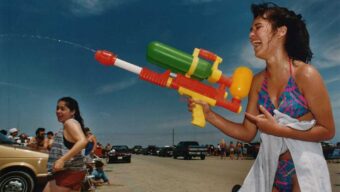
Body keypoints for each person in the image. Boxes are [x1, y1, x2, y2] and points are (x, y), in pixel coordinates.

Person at [189, 2, 335, 192]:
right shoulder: (257, 83)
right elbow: (247, 133)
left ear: (281, 31)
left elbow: (328, 130)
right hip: (270, 171)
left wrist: (279, 130)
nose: (251, 35)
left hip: (304, 169)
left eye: (258, 28)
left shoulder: (305, 75)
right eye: (250, 30)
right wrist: (210, 115)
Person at [43, 97, 88, 192]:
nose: (58, 111)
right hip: (75, 173)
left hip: (67, 174)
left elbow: (83, 141)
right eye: (57, 108)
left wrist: (62, 160)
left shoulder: (70, 122)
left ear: (72, 112)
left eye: (62, 109)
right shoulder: (69, 125)